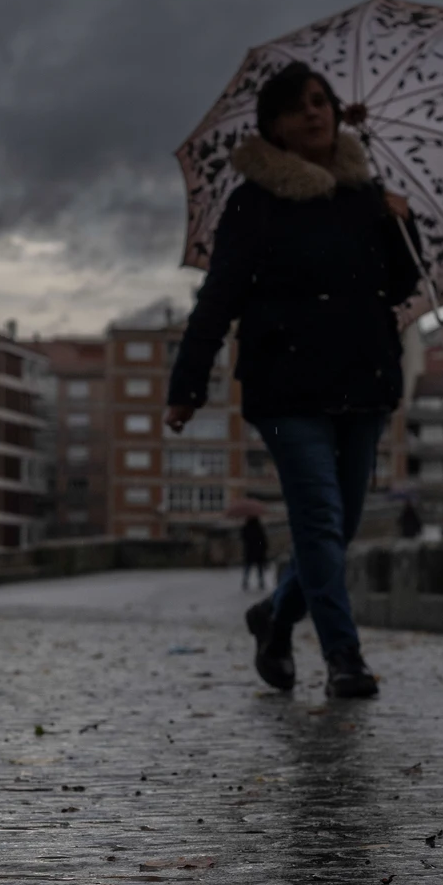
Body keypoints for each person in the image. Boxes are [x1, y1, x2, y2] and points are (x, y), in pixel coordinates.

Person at [165, 61, 422, 700]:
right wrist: (187, 383)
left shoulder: (368, 195)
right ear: (274, 127)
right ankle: (344, 656)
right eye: (297, 106)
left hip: (364, 380)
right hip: (285, 386)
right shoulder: (254, 204)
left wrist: (402, 222)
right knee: (318, 518)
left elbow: (401, 285)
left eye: (321, 101)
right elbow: (219, 296)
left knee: (344, 522)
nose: (314, 112)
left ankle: (274, 619)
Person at [240, 517, 270, 591]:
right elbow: (263, 540)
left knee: (248, 568)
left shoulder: (246, 528)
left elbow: (243, 538)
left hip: (249, 551)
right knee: (259, 569)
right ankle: (261, 582)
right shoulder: (259, 528)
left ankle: (245, 582)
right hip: (258, 551)